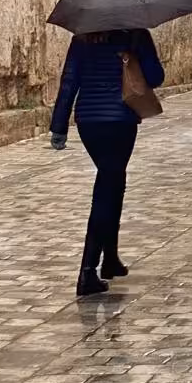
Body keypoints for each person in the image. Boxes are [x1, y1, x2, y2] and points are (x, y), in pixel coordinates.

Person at [50, 29, 165, 297]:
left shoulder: (82, 38)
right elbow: (156, 77)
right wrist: (135, 54)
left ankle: (110, 259)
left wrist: (59, 126)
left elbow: (69, 81)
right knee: (106, 189)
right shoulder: (136, 34)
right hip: (120, 120)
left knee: (114, 181)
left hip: (88, 122)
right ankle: (87, 271)